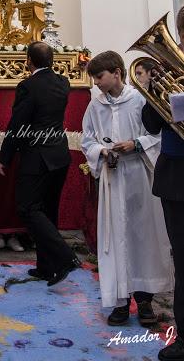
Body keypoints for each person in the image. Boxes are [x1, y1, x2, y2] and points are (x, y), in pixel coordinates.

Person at [82, 51, 172, 327]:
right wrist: (102, 151)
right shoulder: (95, 106)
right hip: (113, 178)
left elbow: (157, 134)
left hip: (139, 175)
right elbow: (87, 139)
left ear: (117, 73)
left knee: (142, 237)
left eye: (100, 77)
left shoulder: (140, 99)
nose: (96, 83)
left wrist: (136, 144)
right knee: (116, 239)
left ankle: (144, 301)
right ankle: (120, 302)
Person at [0, 41, 79, 286]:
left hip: (37, 157)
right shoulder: (63, 83)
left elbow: (18, 123)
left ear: (29, 61)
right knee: (48, 211)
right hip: (59, 155)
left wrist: (5, 156)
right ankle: (46, 267)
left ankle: (65, 258)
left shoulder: (28, 86)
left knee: (28, 208)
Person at [142, 8, 184, 361]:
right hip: (176, 178)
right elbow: (152, 127)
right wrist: (152, 90)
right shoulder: (171, 73)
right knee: (182, 260)